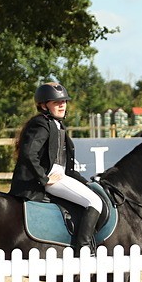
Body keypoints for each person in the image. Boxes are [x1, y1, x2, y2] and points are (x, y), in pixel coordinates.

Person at [10, 82, 104, 251]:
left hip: (60, 177)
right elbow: (28, 154)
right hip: (47, 180)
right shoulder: (41, 123)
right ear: (43, 105)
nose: (62, 105)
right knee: (94, 201)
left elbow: (66, 168)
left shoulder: (57, 125)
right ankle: (83, 249)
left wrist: (86, 182)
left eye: (64, 102)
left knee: (94, 192)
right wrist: (44, 179)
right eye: (56, 102)